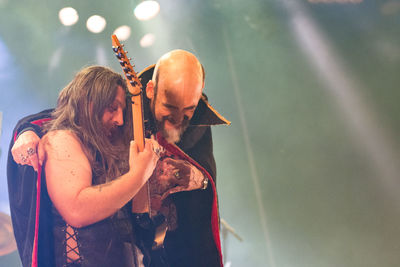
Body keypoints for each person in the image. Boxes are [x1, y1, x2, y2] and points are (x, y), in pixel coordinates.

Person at [8, 50, 230, 267]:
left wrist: (194, 177)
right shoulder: (125, 108)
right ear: (151, 91)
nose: (177, 118)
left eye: (188, 110)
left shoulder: (196, 124)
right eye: (169, 107)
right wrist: (27, 131)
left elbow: (206, 179)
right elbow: (54, 119)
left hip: (167, 247)